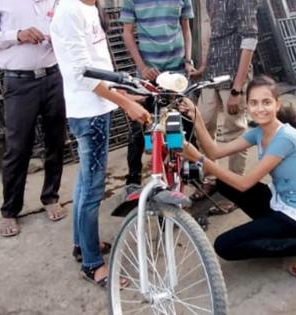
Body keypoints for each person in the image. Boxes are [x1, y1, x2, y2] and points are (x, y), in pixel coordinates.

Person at [180, 76, 296, 280]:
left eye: (266, 102)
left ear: (277, 104)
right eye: (254, 103)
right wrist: (196, 115)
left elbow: (244, 184)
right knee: (223, 184)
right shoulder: (258, 133)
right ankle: (272, 229)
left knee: (225, 246)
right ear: (247, 106)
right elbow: (216, 151)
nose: (260, 109)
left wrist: (198, 158)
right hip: (280, 202)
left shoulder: (286, 137)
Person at [50, 0, 151, 287]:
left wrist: (127, 93)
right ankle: (92, 265)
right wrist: (126, 104)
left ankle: (82, 246)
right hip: (88, 112)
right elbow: (82, 73)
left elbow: (99, 66)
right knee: (93, 191)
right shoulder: (69, 10)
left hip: (98, 108)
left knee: (85, 182)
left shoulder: (91, 7)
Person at [0, 0, 67, 237]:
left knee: (56, 141)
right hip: (19, 81)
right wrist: (17, 35)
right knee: (17, 148)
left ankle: (51, 196)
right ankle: (9, 210)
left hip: (54, 76)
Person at [120, 0, 195, 192]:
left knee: (185, 123)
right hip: (149, 74)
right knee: (142, 126)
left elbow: (186, 28)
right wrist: (142, 67)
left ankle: (188, 173)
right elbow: (127, 33)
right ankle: (134, 180)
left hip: (177, 72)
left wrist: (188, 60)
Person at [188, 0, 258, 206]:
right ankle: (211, 178)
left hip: (233, 77)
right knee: (202, 125)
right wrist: (203, 67)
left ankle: (235, 188)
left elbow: (250, 40)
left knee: (235, 133)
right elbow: (216, 37)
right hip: (212, 75)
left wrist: (237, 88)